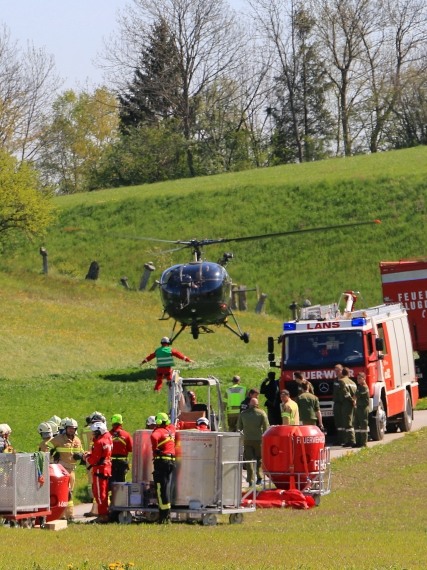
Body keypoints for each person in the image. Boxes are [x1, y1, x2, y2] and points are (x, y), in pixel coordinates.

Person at [50, 418, 84, 522]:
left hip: (71, 470)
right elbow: (47, 449)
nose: (71, 430)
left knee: (70, 492)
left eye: (73, 428)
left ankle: (69, 515)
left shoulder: (77, 440)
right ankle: (62, 514)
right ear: (65, 428)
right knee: (64, 492)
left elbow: (82, 452)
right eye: (69, 428)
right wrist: (52, 457)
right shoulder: (58, 439)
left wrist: (81, 455)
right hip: (61, 469)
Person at [84, 421, 113, 524]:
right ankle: (104, 513)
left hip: (99, 470)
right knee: (104, 493)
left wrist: (85, 456)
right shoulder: (108, 437)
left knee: (99, 494)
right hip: (106, 468)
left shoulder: (100, 442)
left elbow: (93, 460)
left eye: (94, 432)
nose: (93, 434)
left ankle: (103, 516)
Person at [150, 412, 176, 524]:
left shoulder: (159, 431)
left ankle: (164, 517)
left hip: (161, 462)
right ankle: (167, 515)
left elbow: (153, 437)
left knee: (161, 489)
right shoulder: (171, 430)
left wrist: (155, 449)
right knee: (166, 489)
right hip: (170, 462)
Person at [237, 398, 269, 486]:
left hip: (247, 439)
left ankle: (250, 480)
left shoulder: (243, 414)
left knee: (249, 460)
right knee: (259, 459)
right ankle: (259, 477)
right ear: (257, 404)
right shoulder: (262, 413)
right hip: (259, 440)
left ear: (249, 404)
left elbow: (239, 428)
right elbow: (266, 427)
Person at [109, 413, 133, 485]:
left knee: (110, 481)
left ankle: (111, 495)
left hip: (110, 462)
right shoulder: (126, 434)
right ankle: (120, 495)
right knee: (121, 482)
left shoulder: (108, 434)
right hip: (122, 462)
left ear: (112, 423)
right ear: (121, 423)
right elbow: (131, 448)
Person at [336, 367, 357, 447]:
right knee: (351, 421)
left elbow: (345, 393)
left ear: (342, 373)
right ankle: (349, 440)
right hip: (353, 404)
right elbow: (356, 393)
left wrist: (351, 400)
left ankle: (351, 441)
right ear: (349, 373)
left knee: (347, 423)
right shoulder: (353, 382)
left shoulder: (341, 381)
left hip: (346, 404)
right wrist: (354, 401)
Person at [353, 372, 370, 447]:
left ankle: (363, 443)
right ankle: (358, 442)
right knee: (356, 424)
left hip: (363, 408)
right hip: (358, 407)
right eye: (357, 378)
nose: (358, 380)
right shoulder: (359, 387)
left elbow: (356, 396)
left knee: (363, 425)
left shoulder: (364, 387)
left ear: (364, 379)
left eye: (360, 378)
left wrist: (354, 399)